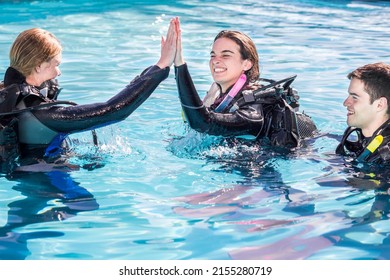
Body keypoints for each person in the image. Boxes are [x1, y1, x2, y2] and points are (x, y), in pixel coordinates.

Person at [0, 19, 178, 172]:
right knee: (84, 204)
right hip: (41, 178)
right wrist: (161, 67)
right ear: (38, 66)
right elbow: (113, 110)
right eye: (55, 64)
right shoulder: (41, 113)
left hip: (27, 170)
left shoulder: (8, 94)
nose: (58, 72)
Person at [171, 18, 317, 148]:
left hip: (260, 174)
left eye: (226, 55)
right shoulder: (221, 98)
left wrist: (179, 64)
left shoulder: (253, 111)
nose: (216, 60)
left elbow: (203, 123)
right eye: (213, 55)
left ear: (246, 64)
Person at [336, 62, 390, 164]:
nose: (345, 103)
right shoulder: (364, 139)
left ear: (380, 105)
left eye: (355, 97)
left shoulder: (386, 156)